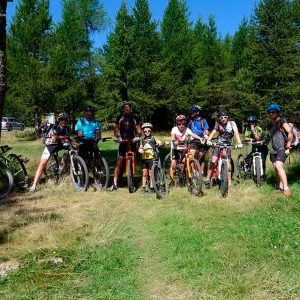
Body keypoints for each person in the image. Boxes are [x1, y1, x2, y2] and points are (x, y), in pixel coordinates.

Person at [29, 112, 69, 192]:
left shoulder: (66, 128)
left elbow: (67, 138)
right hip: (50, 145)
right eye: (61, 120)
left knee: (74, 148)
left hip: (60, 144)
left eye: (65, 120)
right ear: (59, 120)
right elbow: (54, 137)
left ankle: (64, 162)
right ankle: (34, 185)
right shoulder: (55, 126)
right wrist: (64, 137)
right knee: (42, 163)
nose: (63, 121)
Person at [205, 109, 243, 187]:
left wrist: (239, 143)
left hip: (227, 145)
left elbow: (236, 133)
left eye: (225, 117)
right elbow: (213, 132)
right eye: (221, 117)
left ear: (228, 118)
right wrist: (208, 140)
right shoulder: (218, 123)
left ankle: (229, 183)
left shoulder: (232, 124)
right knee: (214, 160)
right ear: (219, 118)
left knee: (228, 164)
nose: (223, 119)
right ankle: (208, 179)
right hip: (219, 144)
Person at [111, 101, 142, 190]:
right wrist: (118, 136)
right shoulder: (119, 118)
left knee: (132, 160)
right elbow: (116, 130)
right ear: (123, 109)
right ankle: (115, 182)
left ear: (130, 108)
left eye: (128, 107)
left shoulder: (135, 118)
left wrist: (138, 136)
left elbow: (139, 130)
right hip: (123, 142)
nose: (126, 108)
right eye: (125, 107)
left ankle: (131, 180)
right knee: (119, 161)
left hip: (132, 142)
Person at [267, 103, 293, 196]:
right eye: (269, 112)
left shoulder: (282, 121)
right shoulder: (272, 123)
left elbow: (290, 132)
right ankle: (280, 187)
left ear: (277, 112)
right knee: (276, 168)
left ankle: (286, 188)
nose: (271, 114)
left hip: (282, 147)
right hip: (273, 149)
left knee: (278, 166)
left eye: (273, 112)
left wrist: (289, 143)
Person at [170, 115, 204, 181]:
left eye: (183, 124)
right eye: (179, 124)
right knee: (173, 165)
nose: (181, 125)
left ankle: (182, 179)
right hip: (175, 149)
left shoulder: (187, 129)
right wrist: (174, 141)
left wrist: (200, 138)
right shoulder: (174, 129)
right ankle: (171, 180)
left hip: (184, 149)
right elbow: (173, 136)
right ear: (177, 124)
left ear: (185, 123)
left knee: (183, 164)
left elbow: (193, 135)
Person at [138, 123, 160, 193]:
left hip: (151, 158)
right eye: (145, 131)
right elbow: (140, 147)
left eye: (149, 131)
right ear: (143, 132)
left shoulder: (153, 138)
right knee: (144, 173)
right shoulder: (142, 139)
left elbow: (158, 141)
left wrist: (159, 143)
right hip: (144, 159)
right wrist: (140, 149)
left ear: (151, 131)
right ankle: (143, 187)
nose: (147, 132)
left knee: (151, 174)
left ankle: (151, 187)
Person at [188, 105, 209, 172]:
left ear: (197, 112)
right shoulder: (190, 121)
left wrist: (206, 136)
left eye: (193, 111)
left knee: (201, 156)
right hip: (193, 140)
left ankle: (201, 172)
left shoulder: (203, 120)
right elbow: (187, 130)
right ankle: (193, 171)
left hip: (202, 140)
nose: (191, 113)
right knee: (191, 155)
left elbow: (206, 131)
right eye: (191, 111)